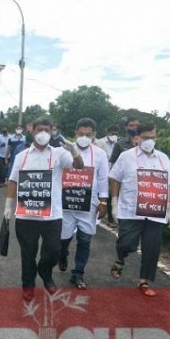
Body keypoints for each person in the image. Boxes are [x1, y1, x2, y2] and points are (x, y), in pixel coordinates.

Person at [4, 116, 84, 302]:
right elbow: (13, 181)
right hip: (27, 215)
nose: (43, 134)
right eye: (39, 130)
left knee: (53, 251)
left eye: (47, 130)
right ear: (32, 131)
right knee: (28, 254)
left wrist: (75, 152)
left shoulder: (59, 154)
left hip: (52, 216)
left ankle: (46, 273)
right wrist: (8, 206)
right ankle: (28, 285)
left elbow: (79, 168)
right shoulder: (22, 156)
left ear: (52, 131)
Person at [108, 123, 170, 297]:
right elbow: (115, 179)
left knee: (152, 247)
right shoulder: (126, 156)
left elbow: (169, 184)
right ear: (137, 138)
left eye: (153, 137)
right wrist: (114, 203)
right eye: (146, 137)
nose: (149, 141)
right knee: (127, 243)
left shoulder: (163, 159)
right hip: (130, 209)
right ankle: (120, 258)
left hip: (155, 211)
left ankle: (144, 281)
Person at [59, 118, 109, 289]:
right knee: (64, 236)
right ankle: (63, 253)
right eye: (81, 134)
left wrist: (103, 200)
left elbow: (103, 178)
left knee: (85, 239)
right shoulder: (63, 151)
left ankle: (78, 273)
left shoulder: (100, 154)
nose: (84, 137)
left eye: (88, 134)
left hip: (89, 203)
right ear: (75, 133)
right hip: (66, 202)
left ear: (94, 135)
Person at [95, 124, 120, 226]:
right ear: (108, 133)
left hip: (113, 173)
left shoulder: (118, 144)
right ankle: (96, 212)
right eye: (112, 133)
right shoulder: (100, 142)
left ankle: (110, 218)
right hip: (101, 172)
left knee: (110, 196)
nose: (114, 136)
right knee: (100, 193)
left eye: (116, 134)